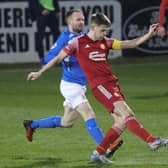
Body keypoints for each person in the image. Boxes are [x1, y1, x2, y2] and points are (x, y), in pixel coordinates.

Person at [27, 13, 168, 164]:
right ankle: (151, 140)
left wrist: (148, 35)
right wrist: (39, 72)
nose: (105, 34)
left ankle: (98, 152)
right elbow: (57, 58)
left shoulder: (105, 42)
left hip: (111, 83)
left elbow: (130, 44)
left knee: (120, 121)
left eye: (106, 31)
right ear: (93, 28)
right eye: (102, 30)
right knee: (125, 113)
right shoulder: (77, 43)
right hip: (100, 86)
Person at [24, 9, 123, 159]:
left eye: (83, 19)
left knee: (66, 122)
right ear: (69, 22)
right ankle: (106, 148)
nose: (81, 22)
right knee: (88, 113)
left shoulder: (84, 38)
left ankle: (31, 125)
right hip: (70, 85)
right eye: (78, 20)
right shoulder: (66, 39)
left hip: (80, 85)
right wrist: (40, 71)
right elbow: (53, 57)